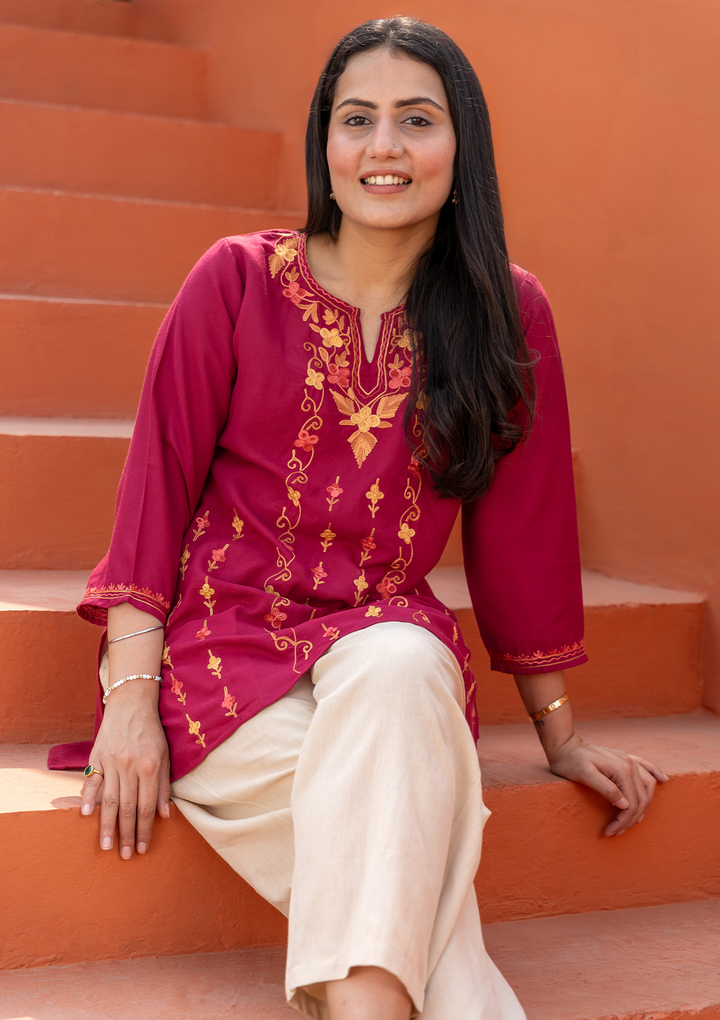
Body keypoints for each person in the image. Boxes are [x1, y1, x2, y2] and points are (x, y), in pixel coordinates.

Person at [62, 17, 667, 1020]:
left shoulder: (506, 314)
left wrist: (559, 736)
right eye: (358, 119)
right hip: (223, 657)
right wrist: (128, 701)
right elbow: (155, 491)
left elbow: (522, 535)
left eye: (416, 120)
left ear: (462, 147)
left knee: (400, 666)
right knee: (402, 829)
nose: (384, 146)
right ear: (326, 144)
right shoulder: (235, 281)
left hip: (385, 646)